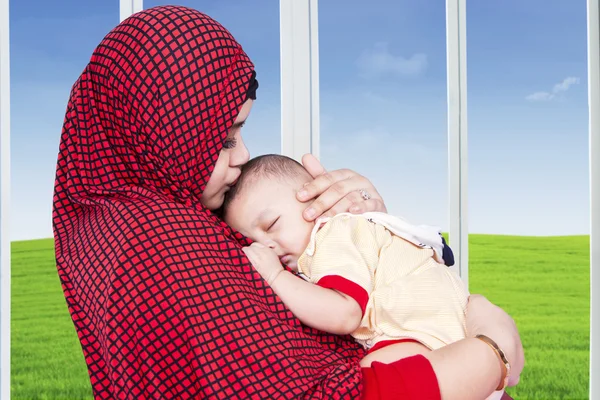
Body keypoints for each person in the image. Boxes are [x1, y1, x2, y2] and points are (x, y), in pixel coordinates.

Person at [52, 5, 524, 399]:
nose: (242, 156)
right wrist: (491, 353)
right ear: (163, 130)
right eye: (222, 137)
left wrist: (371, 228)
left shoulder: (142, 213)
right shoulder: (159, 242)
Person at [223, 154, 506, 400]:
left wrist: (274, 276)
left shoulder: (332, 236)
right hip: (450, 331)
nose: (266, 245)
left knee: (364, 383)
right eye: (252, 240)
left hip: (420, 336)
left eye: (271, 224)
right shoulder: (361, 228)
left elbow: (344, 313)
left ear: (317, 199)